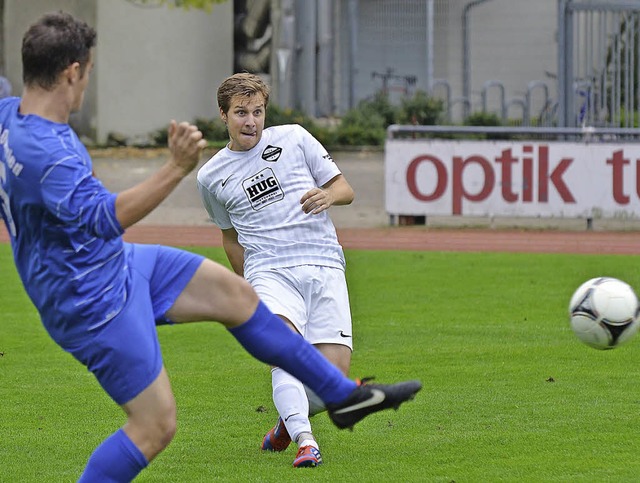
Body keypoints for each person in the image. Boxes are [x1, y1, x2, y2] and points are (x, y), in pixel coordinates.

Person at [0, 11, 421, 482]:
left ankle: (341, 398)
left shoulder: (8, 117)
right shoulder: (50, 155)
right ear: (73, 71)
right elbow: (106, 219)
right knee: (154, 426)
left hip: (117, 266)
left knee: (236, 295)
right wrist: (176, 167)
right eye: (89, 72)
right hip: (92, 299)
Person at [196, 73, 356, 468]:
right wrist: (246, 285)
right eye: (240, 113)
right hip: (269, 270)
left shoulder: (296, 138)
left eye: (257, 112)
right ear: (223, 115)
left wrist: (327, 195)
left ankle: (287, 423)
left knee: (332, 378)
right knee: (285, 353)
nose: (250, 121)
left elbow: (344, 189)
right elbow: (230, 237)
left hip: (323, 261)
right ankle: (306, 441)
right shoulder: (211, 176)